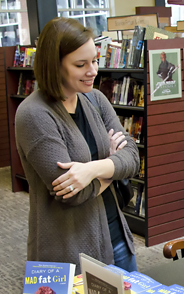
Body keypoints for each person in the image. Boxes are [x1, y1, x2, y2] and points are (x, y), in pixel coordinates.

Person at [15, 18, 140, 272]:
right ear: (54, 66)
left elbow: (133, 158)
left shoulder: (94, 98)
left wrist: (91, 170)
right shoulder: (34, 114)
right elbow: (73, 194)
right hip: (69, 252)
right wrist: (113, 168)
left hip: (116, 238)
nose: (93, 70)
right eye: (81, 64)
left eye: (94, 60)